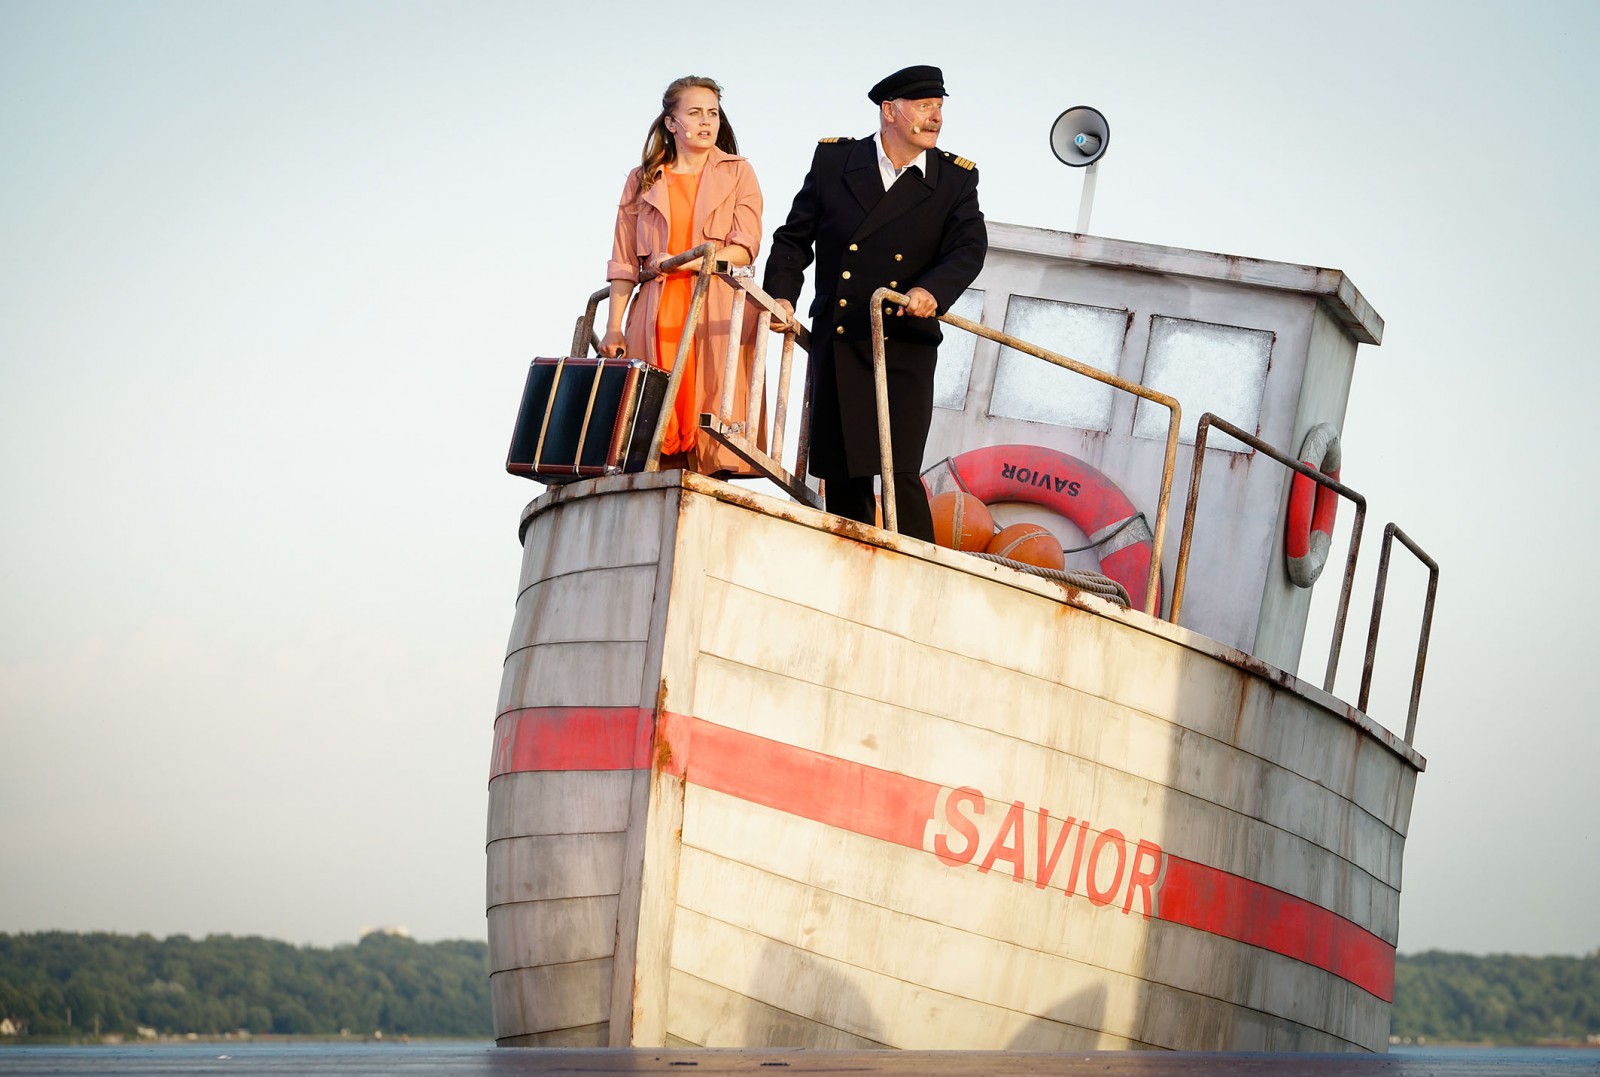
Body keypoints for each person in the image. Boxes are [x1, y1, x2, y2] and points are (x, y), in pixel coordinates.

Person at [763, 65, 986, 541]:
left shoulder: (954, 180)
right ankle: (851, 562)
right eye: (925, 107)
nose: (936, 118)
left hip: (904, 340)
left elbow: (968, 248)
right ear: (889, 111)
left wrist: (931, 290)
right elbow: (793, 239)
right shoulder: (834, 163)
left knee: (899, 466)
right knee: (844, 473)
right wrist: (782, 296)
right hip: (842, 337)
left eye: (940, 108)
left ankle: (919, 572)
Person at [600, 76, 765, 476]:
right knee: (653, 431)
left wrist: (687, 262)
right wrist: (613, 328)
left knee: (712, 428)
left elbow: (745, 246)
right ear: (672, 123)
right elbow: (623, 262)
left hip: (715, 310)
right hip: (656, 312)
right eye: (694, 113)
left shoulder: (739, 172)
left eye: (712, 113)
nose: (706, 122)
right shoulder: (642, 180)